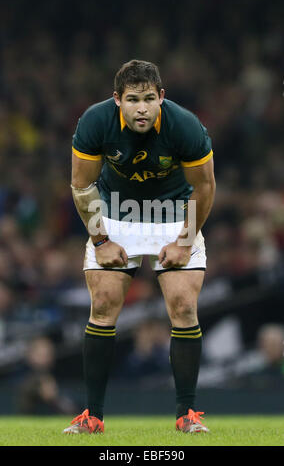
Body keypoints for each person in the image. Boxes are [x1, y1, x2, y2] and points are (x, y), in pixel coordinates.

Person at [63, 60, 216, 435]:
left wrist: (183, 242)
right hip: (116, 212)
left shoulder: (184, 125)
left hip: (173, 212)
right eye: (133, 99)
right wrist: (100, 240)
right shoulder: (95, 122)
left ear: (162, 97)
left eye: (149, 98)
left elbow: (205, 186)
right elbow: (82, 186)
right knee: (102, 305)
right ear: (117, 100)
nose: (142, 108)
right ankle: (92, 416)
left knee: (183, 306)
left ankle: (188, 415)